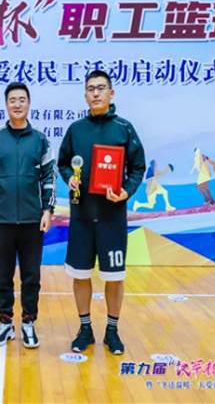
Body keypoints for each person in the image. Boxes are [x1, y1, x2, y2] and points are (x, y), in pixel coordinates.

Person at [58, 70, 145, 354]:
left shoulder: (124, 128)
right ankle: (85, 329)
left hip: (112, 217)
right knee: (81, 274)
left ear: (111, 93)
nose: (96, 93)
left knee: (114, 276)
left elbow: (138, 167)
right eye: (91, 89)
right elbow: (63, 163)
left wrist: (126, 191)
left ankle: (112, 330)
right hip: (82, 215)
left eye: (101, 88)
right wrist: (69, 178)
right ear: (85, 95)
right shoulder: (76, 129)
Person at [0, 82, 55, 348]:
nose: (17, 104)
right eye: (12, 100)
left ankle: (28, 323)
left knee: (31, 276)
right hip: (1, 220)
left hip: (33, 220)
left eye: (22, 99)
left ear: (29, 103)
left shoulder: (40, 140)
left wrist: (47, 210)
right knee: (3, 275)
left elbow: (49, 177)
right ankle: (5, 323)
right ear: (6, 104)